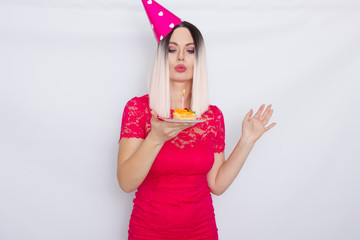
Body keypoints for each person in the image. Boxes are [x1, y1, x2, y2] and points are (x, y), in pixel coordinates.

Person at [117, 1, 276, 239]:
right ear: (161, 56)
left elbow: (217, 185)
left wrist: (246, 141)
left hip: (201, 231)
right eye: (172, 49)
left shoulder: (212, 115)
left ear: (198, 58)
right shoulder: (138, 109)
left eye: (190, 50)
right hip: (148, 231)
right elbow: (126, 183)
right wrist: (155, 138)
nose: (181, 56)